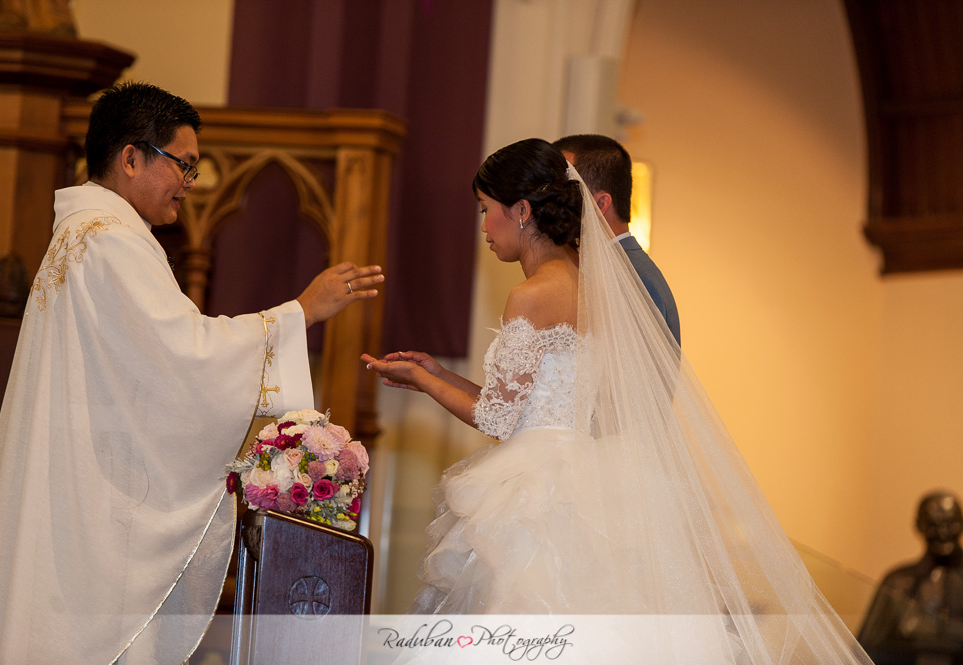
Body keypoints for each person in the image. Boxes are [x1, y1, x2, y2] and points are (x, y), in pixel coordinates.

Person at [363, 138, 874, 663]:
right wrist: (437, 371)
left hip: (540, 486)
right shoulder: (592, 287)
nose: (483, 228)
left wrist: (424, 385)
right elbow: (533, 403)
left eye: (485, 211)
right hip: (586, 470)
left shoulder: (532, 295)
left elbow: (497, 417)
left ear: (520, 211)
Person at [0, 82, 383, 665]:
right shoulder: (111, 242)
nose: (190, 182)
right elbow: (185, 356)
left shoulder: (86, 234)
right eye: (182, 164)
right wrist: (300, 313)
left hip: (87, 481)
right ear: (131, 157)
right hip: (100, 501)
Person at [553, 133, 681, 346]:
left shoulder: (636, 279)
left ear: (601, 204)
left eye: (562, 190)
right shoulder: (606, 266)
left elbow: (636, 376)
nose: (549, 203)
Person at [858, 491, 963, 664]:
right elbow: (867, 645)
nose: (942, 532)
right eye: (933, 524)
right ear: (919, 525)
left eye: (950, 523)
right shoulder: (898, 580)